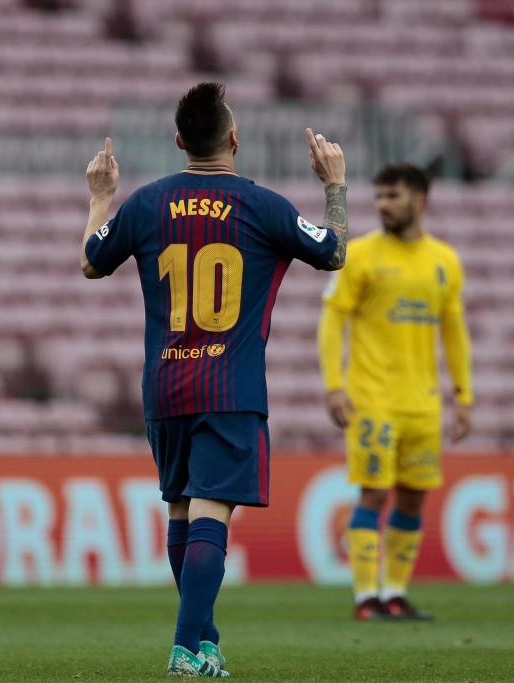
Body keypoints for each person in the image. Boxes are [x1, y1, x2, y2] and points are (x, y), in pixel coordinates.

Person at [81, 82, 348, 677]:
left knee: (182, 512)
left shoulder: (147, 203)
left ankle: (205, 644)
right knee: (211, 513)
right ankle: (183, 650)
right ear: (234, 139)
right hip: (230, 386)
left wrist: (100, 196)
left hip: (165, 386)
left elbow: (91, 261)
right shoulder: (262, 205)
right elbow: (332, 252)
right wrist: (334, 183)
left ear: (179, 142)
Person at [317, 163, 473, 621]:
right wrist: (334, 386)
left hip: (423, 404)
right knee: (374, 492)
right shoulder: (360, 255)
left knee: (412, 497)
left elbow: (455, 330)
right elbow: (332, 319)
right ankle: (366, 598)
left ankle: (395, 594)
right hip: (374, 399)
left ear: (419, 200)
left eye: (393, 197)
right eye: (379, 197)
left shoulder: (445, 260)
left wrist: (463, 395)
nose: (383, 205)